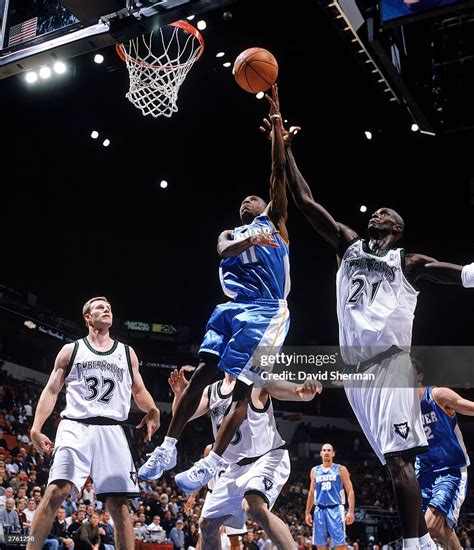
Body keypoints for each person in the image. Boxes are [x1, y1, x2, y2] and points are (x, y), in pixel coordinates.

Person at [268, 117, 467, 549]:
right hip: (356, 374)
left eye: (385, 213)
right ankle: (425, 544)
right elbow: (305, 201)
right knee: (392, 463)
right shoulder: (349, 245)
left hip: (392, 366)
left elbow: (457, 274)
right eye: (375, 211)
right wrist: (284, 150)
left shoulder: (407, 262)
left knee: (399, 460)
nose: (376, 212)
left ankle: (415, 545)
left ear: (395, 228)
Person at [139, 85, 291, 494]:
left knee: (241, 387)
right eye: (244, 199)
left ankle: (213, 463)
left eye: (254, 198)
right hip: (231, 307)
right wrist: (247, 241)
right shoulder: (232, 233)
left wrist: (277, 126)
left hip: (266, 310)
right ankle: (168, 447)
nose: (248, 199)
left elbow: (278, 173)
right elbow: (223, 248)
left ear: (265, 207)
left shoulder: (275, 224)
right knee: (204, 373)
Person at [26, 296, 160, 550]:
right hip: (75, 425)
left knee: (119, 506)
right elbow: (52, 391)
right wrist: (36, 427)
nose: (107, 309)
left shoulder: (126, 352)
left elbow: (139, 391)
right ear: (87, 317)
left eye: (109, 307)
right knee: (56, 492)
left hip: (112, 429)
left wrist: (153, 409)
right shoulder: (71, 350)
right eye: (100, 307)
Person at [167, 367, 320, 549]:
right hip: (234, 467)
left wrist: (305, 389)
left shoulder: (258, 381)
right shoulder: (212, 390)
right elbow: (182, 415)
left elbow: (295, 392)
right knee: (207, 525)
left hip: (266, 458)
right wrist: (180, 395)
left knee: (253, 507)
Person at [413, 358, 470, 549]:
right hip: (423, 471)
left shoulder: (436, 395)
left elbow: (468, 406)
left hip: (449, 469)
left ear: (419, 376)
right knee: (438, 530)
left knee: (430, 525)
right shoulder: (404, 409)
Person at [305, 444, 355, 550]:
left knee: (340, 545)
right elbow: (311, 492)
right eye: (324, 450)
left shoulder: (341, 469)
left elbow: (350, 490)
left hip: (336, 509)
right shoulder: (314, 470)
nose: (326, 452)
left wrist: (350, 511)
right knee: (320, 545)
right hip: (319, 509)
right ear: (321, 453)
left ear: (333, 454)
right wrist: (307, 512)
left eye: (329, 450)